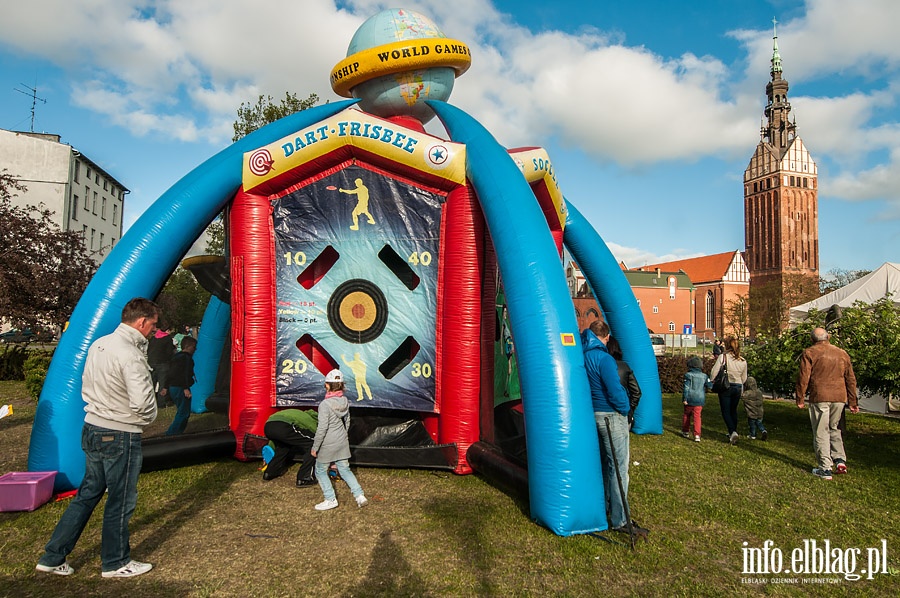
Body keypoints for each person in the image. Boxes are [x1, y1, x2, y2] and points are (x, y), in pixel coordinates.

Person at [36, 298, 159, 579]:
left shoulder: (99, 344)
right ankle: (115, 562)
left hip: (92, 428)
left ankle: (53, 556)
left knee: (87, 494)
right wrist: (148, 420)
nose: (153, 330)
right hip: (120, 433)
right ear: (142, 322)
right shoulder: (129, 353)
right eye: (153, 324)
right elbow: (142, 402)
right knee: (121, 499)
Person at [582, 320, 647, 537]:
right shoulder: (605, 359)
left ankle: (604, 508)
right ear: (607, 337)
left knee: (604, 466)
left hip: (594, 416)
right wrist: (625, 409)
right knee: (619, 468)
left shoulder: (584, 356)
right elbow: (615, 391)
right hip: (611, 416)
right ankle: (620, 519)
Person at [795, 327, 859, 480]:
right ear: (828, 337)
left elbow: (804, 377)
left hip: (820, 395)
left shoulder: (810, 352)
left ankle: (825, 468)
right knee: (834, 427)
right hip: (839, 396)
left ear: (812, 339)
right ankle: (840, 460)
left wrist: (800, 398)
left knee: (821, 431)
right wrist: (852, 401)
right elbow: (850, 378)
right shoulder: (842, 353)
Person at [310, 369, 368, 510]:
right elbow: (347, 421)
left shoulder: (324, 405)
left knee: (320, 470)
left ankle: (330, 499)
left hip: (328, 443)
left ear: (328, 386)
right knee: (345, 469)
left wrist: (315, 447)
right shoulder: (345, 401)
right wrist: (344, 435)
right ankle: (359, 495)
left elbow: (322, 428)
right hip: (342, 440)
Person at [262, 408, 318, 486]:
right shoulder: (311, 419)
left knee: (283, 446)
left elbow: (275, 438)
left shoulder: (296, 413)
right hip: (284, 426)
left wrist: (269, 447)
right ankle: (304, 478)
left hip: (268, 426)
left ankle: (270, 472)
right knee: (314, 444)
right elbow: (316, 435)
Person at [709, 336, 748, 445]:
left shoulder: (723, 357)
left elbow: (714, 371)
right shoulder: (743, 361)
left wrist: (712, 380)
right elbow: (744, 378)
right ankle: (732, 432)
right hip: (738, 387)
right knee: (733, 410)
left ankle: (732, 431)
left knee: (725, 411)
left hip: (726, 386)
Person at [605, 336, 641, 428]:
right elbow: (636, 392)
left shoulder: (597, 364)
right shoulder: (624, 366)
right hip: (621, 412)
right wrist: (630, 410)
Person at [165, 336, 197, 436]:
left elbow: (170, 373)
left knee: (181, 410)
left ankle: (177, 432)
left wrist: (166, 386)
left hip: (173, 387)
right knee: (183, 412)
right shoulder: (187, 359)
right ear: (189, 347)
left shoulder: (175, 357)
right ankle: (173, 433)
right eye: (194, 347)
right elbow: (184, 374)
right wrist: (186, 388)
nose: (195, 350)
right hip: (181, 387)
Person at [682, 355, 711, 442]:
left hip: (690, 399)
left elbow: (686, 388)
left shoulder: (688, 375)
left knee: (687, 415)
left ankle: (685, 431)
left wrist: (684, 398)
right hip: (700, 400)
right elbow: (710, 385)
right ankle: (697, 435)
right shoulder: (704, 376)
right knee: (697, 417)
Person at [147, 326, 175, 408]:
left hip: (151, 362)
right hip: (163, 363)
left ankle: (149, 402)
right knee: (162, 384)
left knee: (151, 383)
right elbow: (169, 352)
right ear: (167, 330)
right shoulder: (167, 338)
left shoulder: (153, 338)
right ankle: (161, 403)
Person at [742, 376, 768, 440]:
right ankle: (763, 430)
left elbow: (742, 397)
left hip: (751, 412)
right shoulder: (759, 392)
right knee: (759, 422)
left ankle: (753, 435)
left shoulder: (747, 393)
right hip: (760, 412)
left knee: (752, 424)